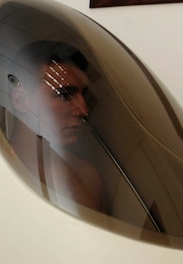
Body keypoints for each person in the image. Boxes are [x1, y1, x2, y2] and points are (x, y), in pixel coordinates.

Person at [6, 40, 107, 213]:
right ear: (21, 100)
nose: (83, 110)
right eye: (65, 95)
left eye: (83, 96)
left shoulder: (88, 178)